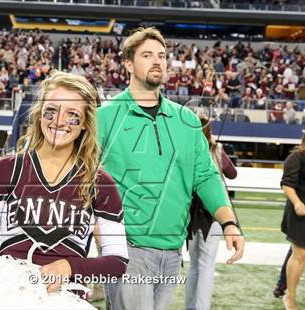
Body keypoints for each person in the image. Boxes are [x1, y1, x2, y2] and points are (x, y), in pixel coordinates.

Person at [97, 27, 244, 310]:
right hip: (128, 249)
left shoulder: (186, 120)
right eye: (147, 55)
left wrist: (229, 222)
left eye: (162, 56)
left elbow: (206, 176)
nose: (157, 61)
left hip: (173, 251)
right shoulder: (104, 117)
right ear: (128, 63)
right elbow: (84, 177)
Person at [0, 71, 128, 294]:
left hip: (67, 299)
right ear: (39, 113)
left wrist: (69, 266)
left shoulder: (100, 182)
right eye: (51, 111)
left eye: (72, 114)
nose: (59, 121)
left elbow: (117, 263)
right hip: (8, 297)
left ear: (85, 123)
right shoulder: (6, 170)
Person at [185, 115, 238, 310]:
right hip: (213, 211)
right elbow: (232, 173)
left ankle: (191, 307)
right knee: (206, 265)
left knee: (194, 265)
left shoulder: (185, 149)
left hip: (189, 212)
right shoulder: (216, 149)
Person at [280, 119, 305, 310]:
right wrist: (296, 202)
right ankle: (290, 297)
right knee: (301, 254)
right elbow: (287, 184)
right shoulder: (298, 156)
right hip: (302, 211)